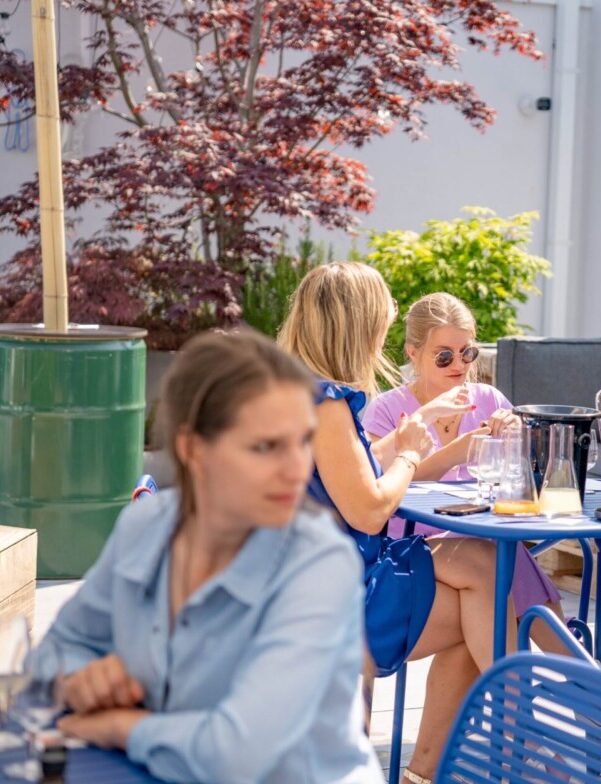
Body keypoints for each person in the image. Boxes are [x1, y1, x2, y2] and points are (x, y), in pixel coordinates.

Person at [38, 330, 380, 783]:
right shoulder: (148, 527)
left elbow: (238, 755)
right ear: (193, 448)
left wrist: (124, 726)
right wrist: (79, 678)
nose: (297, 468)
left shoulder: (318, 563)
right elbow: (58, 647)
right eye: (265, 446)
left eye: (303, 442)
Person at [278, 263, 513, 784]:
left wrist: (419, 428)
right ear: (356, 328)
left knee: (481, 593)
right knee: (487, 585)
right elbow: (368, 507)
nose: (382, 338)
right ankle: (523, 744)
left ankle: (424, 774)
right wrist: (410, 455)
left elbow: (352, 468)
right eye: (380, 326)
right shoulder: (328, 402)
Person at [362, 292, 565, 646]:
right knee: (503, 560)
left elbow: (524, 478)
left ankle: (565, 681)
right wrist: (455, 454)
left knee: (504, 558)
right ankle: (573, 678)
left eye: (467, 352)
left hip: (477, 533)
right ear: (413, 353)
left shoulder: (488, 399)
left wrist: (519, 442)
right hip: (411, 539)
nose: (458, 364)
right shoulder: (387, 409)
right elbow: (382, 487)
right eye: (443, 356)